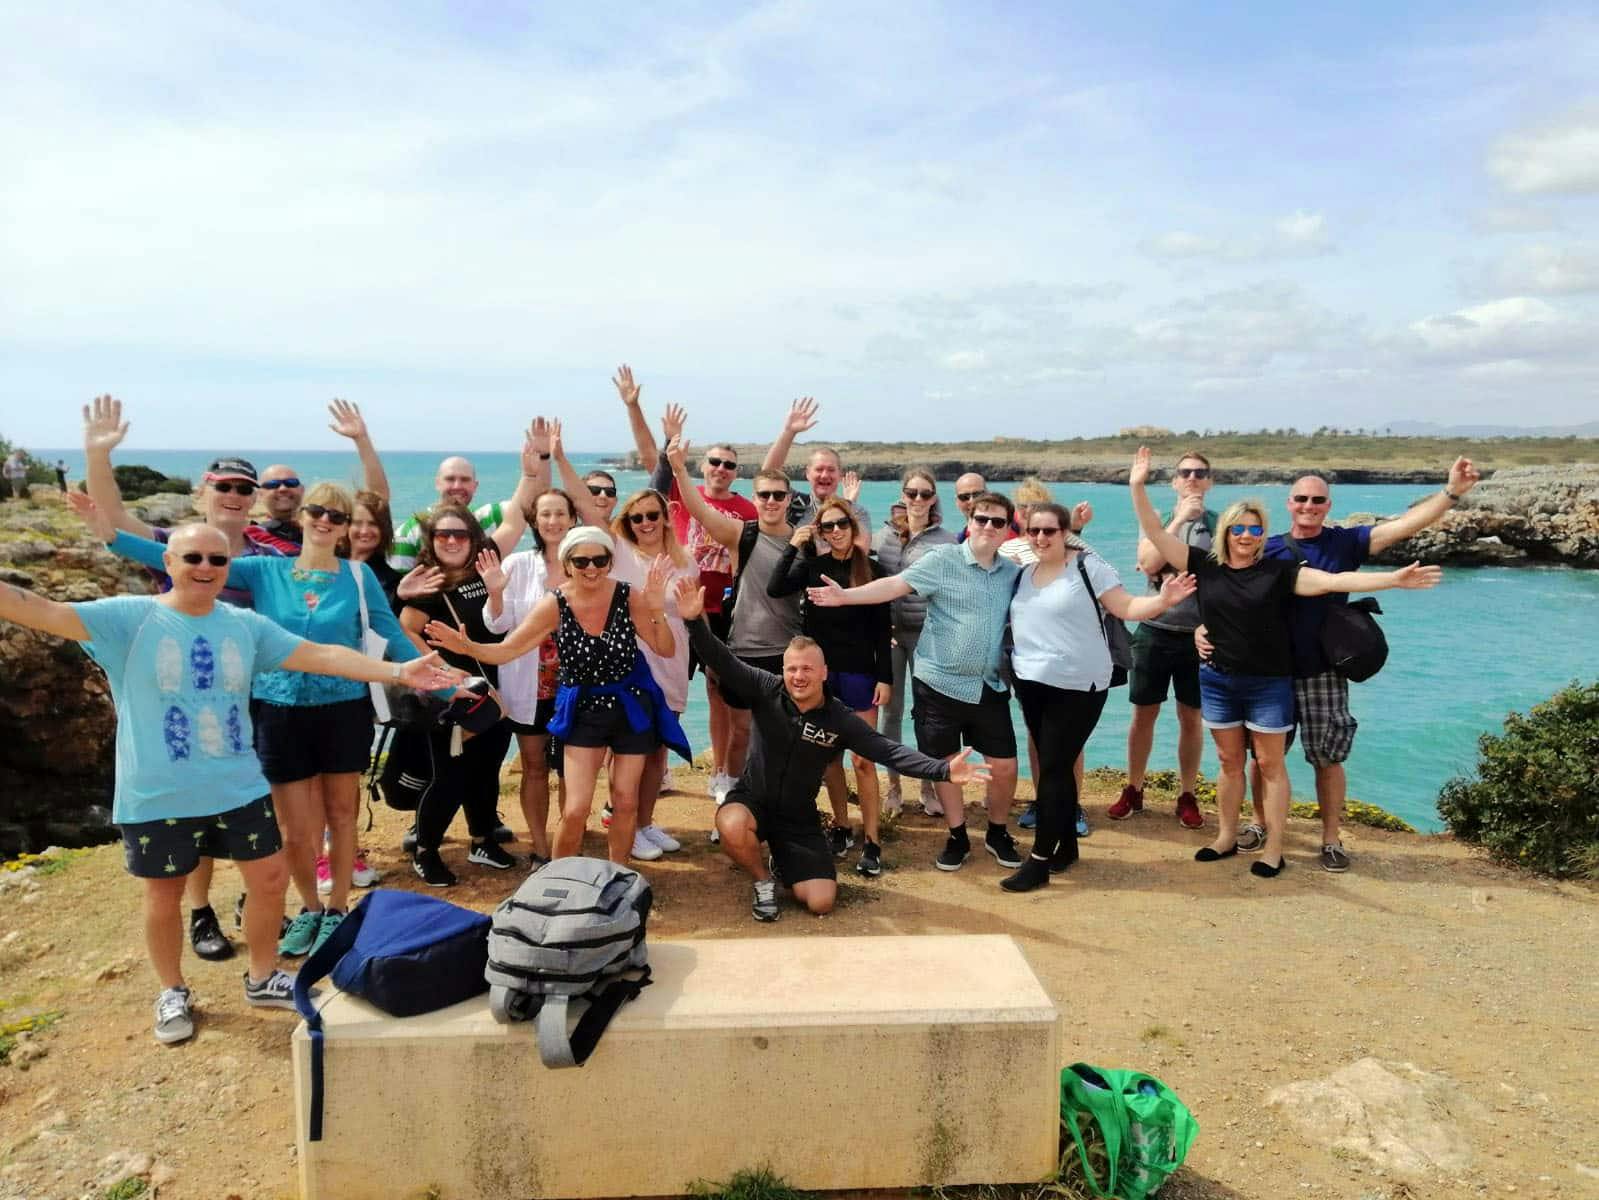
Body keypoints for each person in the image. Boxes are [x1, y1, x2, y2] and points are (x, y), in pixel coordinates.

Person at [0, 521, 455, 1042]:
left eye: (218, 561)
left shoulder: (244, 625)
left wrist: (400, 672)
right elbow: (37, 610)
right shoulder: (128, 617)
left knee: (267, 881)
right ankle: (172, 990)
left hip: (238, 786)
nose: (206, 569)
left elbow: (323, 655)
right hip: (157, 793)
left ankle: (262, 976)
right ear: (168, 563)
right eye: (192, 558)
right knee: (163, 895)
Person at [79, 485, 429, 955]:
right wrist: (110, 535)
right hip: (278, 710)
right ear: (301, 518)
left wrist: (443, 679)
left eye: (338, 516)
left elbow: (394, 638)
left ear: (347, 528)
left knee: (342, 816)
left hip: (343, 708)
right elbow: (177, 555)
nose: (326, 520)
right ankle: (309, 907)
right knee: (294, 828)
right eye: (317, 512)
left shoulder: (359, 577)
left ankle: (338, 908)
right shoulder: (265, 569)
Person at [1128, 447, 1443, 877]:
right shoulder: (1213, 563)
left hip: (1279, 680)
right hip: (1222, 680)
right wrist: (1137, 485)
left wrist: (1393, 579)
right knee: (1232, 764)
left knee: (1285, 764)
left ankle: (1292, 844)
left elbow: (1336, 580)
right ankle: (1232, 834)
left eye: (1253, 529)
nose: (1245, 535)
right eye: (1237, 527)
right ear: (1226, 531)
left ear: (1264, 534)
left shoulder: (1282, 567)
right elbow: (1156, 538)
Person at [83, 394, 297, 960]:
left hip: (250, 694)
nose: (233, 496)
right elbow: (112, 523)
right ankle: (201, 911)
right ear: (204, 491)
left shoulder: (267, 550)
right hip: (179, 695)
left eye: (243, 488)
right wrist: (99, 456)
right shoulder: (174, 545)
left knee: (247, 803)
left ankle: (258, 905)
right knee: (192, 809)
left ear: (254, 500)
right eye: (223, 486)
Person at [1219, 458, 1482, 872]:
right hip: (1272, 672)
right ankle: (1259, 824)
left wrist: (1450, 494)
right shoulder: (1265, 546)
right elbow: (1226, 591)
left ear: (1328, 505)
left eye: (1317, 500)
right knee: (1264, 760)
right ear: (1289, 503)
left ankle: (1330, 838)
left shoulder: (1344, 543)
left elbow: (1403, 526)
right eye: (1301, 498)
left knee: (1328, 758)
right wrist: (1203, 629)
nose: (1309, 505)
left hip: (1324, 671)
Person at [676, 579, 990, 921]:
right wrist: (694, 622)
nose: (799, 676)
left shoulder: (838, 718)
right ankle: (763, 881)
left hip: (798, 818)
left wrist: (943, 770)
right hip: (754, 800)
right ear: (782, 670)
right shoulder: (766, 690)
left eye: (807, 668)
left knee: (821, 901)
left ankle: (783, 859)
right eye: (792, 668)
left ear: (824, 673)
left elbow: (887, 751)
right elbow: (722, 661)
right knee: (732, 825)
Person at [425, 527, 685, 864]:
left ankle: (618, 876)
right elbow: (508, 650)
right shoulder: (555, 603)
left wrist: (656, 610)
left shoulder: (627, 595)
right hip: (583, 712)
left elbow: (664, 648)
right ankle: (560, 880)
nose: (591, 568)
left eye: (600, 560)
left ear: (609, 562)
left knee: (625, 801)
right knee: (575, 808)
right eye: (581, 561)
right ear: (567, 564)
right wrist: (466, 647)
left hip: (630, 707)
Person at [808, 492, 1024, 874]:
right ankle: (957, 834)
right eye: (982, 519)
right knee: (944, 763)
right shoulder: (942, 560)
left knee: (1005, 766)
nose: (989, 527)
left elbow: (1050, 567)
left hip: (988, 686)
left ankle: (996, 831)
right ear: (969, 523)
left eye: (998, 522)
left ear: (1008, 529)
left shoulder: (1012, 573)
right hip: (938, 682)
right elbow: (893, 586)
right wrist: (845, 598)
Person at [1002, 503, 1196, 891]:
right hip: (1031, 682)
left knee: (1054, 768)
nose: (1041, 538)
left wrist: (1163, 601)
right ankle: (1067, 847)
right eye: (1034, 531)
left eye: (1050, 531)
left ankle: (1039, 860)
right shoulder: (1025, 572)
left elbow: (1126, 606)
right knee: (1054, 762)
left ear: (1065, 532)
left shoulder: (1089, 567)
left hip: (1078, 685)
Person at [628, 372, 757, 805]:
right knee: (662, 685)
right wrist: (635, 409)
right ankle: (659, 770)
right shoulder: (681, 495)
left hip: (718, 611)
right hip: (672, 606)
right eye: (714, 462)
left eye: (729, 464)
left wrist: (789, 432)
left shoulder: (746, 508)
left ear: (737, 472)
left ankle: (721, 770)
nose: (721, 469)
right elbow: (653, 463)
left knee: (720, 690)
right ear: (703, 466)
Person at [663, 434, 800, 827]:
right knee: (740, 730)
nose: (771, 501)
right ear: (754, 500)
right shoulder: (744, 534)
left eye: (779, 495)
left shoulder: (804, 540)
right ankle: (733, 793)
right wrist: (677, 468)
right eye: (764, 496)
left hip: (788, 650)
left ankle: (776, 798)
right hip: (743, 645)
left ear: (789, 499)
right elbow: (701, 511)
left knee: (780, 731)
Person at [397, 506, 523, 885]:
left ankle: (482, 840)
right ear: (431, 542)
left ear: (474, 537)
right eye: (442, 535)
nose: (451, 541)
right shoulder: (428, 584)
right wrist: (442, 672)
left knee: (487, 771)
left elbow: (517, 516)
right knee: (450, 778)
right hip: (452, 699)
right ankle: (426, 850)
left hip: (495, 692)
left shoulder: (485, 571)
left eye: (460, 534)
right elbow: (405, 632)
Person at [768, 498, 894, 875]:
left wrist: (885, 678)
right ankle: (842, 826)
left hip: (860, 675)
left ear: (853, 528)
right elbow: (775, 588)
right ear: (820, 533)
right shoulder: (814, 567)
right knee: (828, 758)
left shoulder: (873, 569)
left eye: (842, 524)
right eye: (827, 527)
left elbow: (881, 630)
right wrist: (794, 544)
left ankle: (872, 840)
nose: (836, 531)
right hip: (825, 676)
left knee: (863, 759)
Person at [1111, 450, 1218, 831]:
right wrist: (1178, 522)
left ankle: (1187, 794)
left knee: (1192, 718)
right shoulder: (1157, 521)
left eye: (1200, 473)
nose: (1192, 478)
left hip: (1198, 638)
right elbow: (1149, 563)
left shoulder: (1222, 526)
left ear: (1210, 481)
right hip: (1154, 632)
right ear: (1174, 481)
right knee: (1143, 715)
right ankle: (1133, 788)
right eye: (1185, 473)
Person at [479, 489, 578, 865]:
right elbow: (496, 623)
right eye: (545, 515)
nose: (553, 521)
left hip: (576, 684)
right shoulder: (518, 564)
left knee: (573, 769)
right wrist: (496, 593)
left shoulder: (587, 562)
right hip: (530, 682)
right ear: (535, 522)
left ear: (572, 519)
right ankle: (539, 846)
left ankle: (568, 848)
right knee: (534, 766)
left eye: (560, 514)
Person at [606, 489, 699, 860]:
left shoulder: (686, 561)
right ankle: (622, 822)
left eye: (652, 515)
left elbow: (690, 611)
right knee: (631, 749)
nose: (645, 523)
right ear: (627, 523)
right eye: (637, 517)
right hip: (634, 659)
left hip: (673, 657)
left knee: (659, 747)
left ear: (665, 517)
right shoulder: (619, 557)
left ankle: (644, 823)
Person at [871, 468, 956, 815]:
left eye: (925, 493)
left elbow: (952, 592)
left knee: (927, 713)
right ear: (902, 496)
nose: (918, 500)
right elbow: (870, 580)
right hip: (890, 637)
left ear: (934, 498)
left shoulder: (946, 541)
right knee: (890, 713)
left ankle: (927, 786)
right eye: (912, 493)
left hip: (928, 637)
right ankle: (893, 787)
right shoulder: (884, 537)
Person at [387, 423, 546, 569]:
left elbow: (538, 504)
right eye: (450, 479)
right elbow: (397, 587)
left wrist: (542, 460)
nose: (457, 486)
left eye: (464, 480)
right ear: (437, 483)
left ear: (475, 486)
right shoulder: (409, 532)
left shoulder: (489, 516)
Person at [254, 399, 391, 546]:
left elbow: (377, 500)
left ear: (302, 490)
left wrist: (361, 440)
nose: (282, 488)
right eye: (272, 484)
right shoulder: (253, 539)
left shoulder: (329, 530)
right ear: (259, 495)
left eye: (290, 483)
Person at [759, 398, 870, 542]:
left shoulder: (857, 512)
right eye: (819, 469)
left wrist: (847, 505)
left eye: (831, 470)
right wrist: (789, 432)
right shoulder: (793, 503)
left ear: (840, 475)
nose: (825, 475)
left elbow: (858, 551)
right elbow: (768, 476)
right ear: (807, 474)